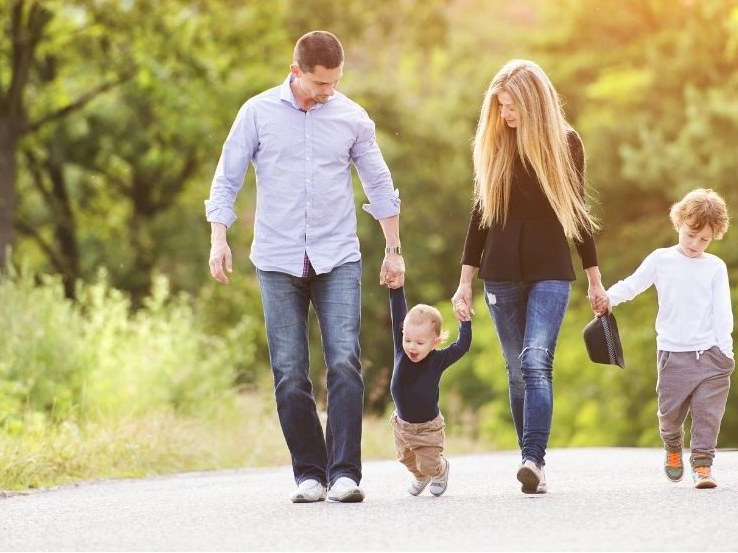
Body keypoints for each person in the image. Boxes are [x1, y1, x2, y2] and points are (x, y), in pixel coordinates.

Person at [205, 30, 405, 504]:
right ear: (296, 71)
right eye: (320, 83)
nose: (328, 91)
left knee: (343, 363)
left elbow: (379, 182)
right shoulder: (257, 113)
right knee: (291, 369)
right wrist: (219, 239)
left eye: (335, 82)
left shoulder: (351, 118)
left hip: (337, 255)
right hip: (277, 259)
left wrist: (393, 248)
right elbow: (227, 176)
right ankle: (309, 474)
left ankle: (345, 473)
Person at [451, 59, 606, 495]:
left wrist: (595, 280)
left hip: (551, 272)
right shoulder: (494, 146)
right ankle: (528, 459)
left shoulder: (567, 144)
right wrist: (464, 282)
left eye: (512, 106)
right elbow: (478, 219)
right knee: (517, 372)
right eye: (500, 106)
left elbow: (579, 217)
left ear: (534, 103)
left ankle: (533, 460)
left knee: (535, 360)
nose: (506, 115)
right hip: (500, 275)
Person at [598, 188, 734, 489]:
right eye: (690, 235)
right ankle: (673, 447)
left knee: (707, 416)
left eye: (704, 240)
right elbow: (633, 285)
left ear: (714, 237)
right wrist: (608, 298)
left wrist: (726, 352)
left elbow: (723, 312)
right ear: (679, 223)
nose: (695, 244)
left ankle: (702, 465)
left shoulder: (715, 267)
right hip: (673, 355)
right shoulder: (661, 260)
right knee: (669, 416)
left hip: (711, 356)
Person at [387, 283, 471, 497]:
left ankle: (440, 470)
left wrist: (465, 321)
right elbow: (397, 311)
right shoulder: (401, 350)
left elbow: (462, 346)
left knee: (429, 465)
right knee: (405, 458)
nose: (411, 347)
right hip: (401, 425)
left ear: (435, 342)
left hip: (427, 429)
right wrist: (396, 288)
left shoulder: (437, 360)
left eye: (420, 342)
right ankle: (420, 477)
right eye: (407, 339)